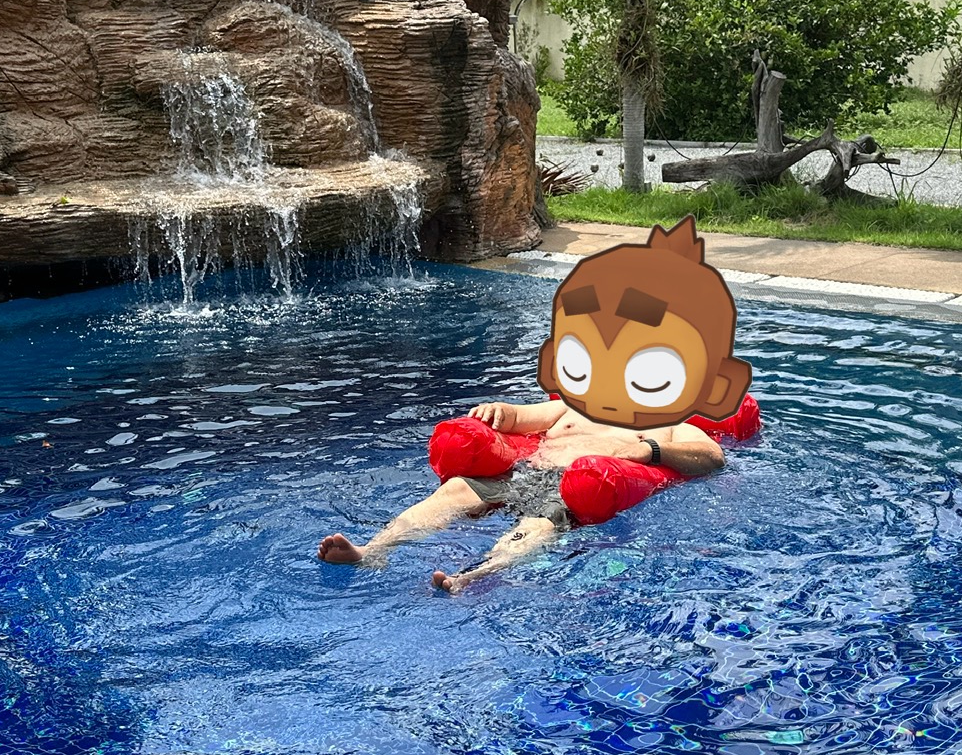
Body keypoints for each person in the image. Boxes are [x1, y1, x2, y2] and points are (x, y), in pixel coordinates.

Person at [317, 217, 752, 593]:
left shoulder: (669, 422)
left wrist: (651, 450)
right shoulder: (574, 406)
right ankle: (375, 549)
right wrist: (499, 411)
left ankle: (479, 573)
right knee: (454, 490)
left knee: (538, 525)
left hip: (570, 491)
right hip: (524, 474)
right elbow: (523, 418)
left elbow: (711, 456)